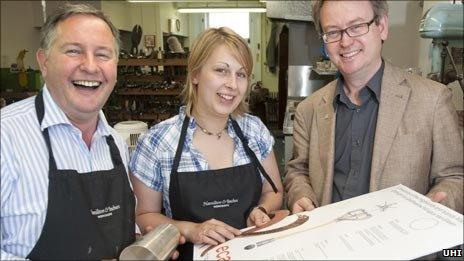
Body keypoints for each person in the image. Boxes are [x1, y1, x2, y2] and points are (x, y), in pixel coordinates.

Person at [284, 0, 463, 214]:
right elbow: (297, 171)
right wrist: (300, 194)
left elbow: (454, 178)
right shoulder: (309, 109)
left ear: (382, 27)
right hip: (328, 242)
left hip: (400, 242)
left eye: (357, 26)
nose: (345, 41)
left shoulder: (432, 100)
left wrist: (437, 202)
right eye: (332, 32)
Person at [130, 27, 283, 259]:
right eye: (222, 70)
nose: (232, 84)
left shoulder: (254, 131)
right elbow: (143, 216)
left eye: (241, 74)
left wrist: (261, 210)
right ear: (195, 74)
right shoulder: (158, 142)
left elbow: (274, 191)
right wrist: (191, 230)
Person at [0, 4, 135, 260]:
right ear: (44, 62)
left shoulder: (115, 143)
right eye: (74, 51)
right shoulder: (6, 137)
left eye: (103, 54)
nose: (91, 67)